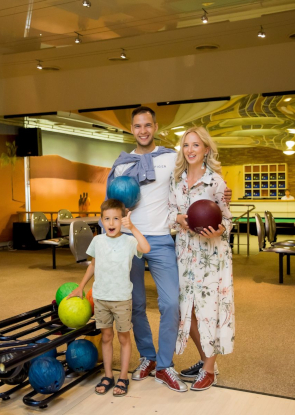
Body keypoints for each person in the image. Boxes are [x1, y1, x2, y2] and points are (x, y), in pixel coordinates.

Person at [106, 106, 232, 392]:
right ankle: (148, 357)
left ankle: (164, 365)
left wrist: (223, 193)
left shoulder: (170, 158)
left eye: (147, 125)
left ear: (155, 127)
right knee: (135, 304)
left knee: (172, 304)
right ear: (131, 129)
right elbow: (110, 206)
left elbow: (199, 176)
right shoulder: (121, 165)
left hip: (162, 239)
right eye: (137, 126)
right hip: (128, 239)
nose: (143, 131)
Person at [169, 126, 235, 391]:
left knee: (210, 310)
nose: (190, 150)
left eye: (196, 145)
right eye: (186, 145)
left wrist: (220, 229)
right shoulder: (176, 181)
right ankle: (206, 360)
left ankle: (209, 370)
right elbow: (169, 212)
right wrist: (178, 218)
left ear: (206, 149)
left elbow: (228, 219)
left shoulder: (216, 182)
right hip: (185, 253)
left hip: (211, 254)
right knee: (187, 310)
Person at [67, 199, 150, 397]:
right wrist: (81, 287)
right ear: (101, 220)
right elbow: (93, 265)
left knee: (123, 338)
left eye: (116, 219)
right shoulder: (98, 241)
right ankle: (108, 376)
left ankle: (123, 377)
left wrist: (133, 228)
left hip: (121, 299)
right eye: (107, 219)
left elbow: (146, 248)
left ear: (122, 220)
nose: (111, 223)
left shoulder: (129, 241)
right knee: (106, 337)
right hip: (101, 298)